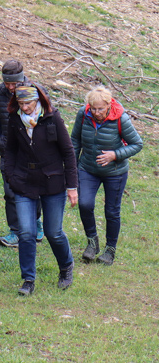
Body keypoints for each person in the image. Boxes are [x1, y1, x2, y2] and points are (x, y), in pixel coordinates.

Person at [0, 86, 78, 296]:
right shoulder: (15, 119)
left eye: (28, 103)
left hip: (53, 182)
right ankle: (28, 279)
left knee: (53, 232)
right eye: (21, 104)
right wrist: (10, 176)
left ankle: (66, 266)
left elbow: (68, 152)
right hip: (24, 182)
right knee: (26, 232)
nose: (25, 107)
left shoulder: (52, 118)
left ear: (37, 101)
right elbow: (10, 150)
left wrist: (72, 186)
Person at [70, 85, 143, 265]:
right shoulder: (83, 114)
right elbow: (75, 140)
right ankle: (92, 243)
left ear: (109, 105)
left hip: (115, 173)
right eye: (93, 109)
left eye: (101, 109)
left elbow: (137, 144)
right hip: (87, 168)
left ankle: (110, 250)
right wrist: (72, 168)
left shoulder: (120, 118)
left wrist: (115, 155)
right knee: (85, 204)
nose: (97, 113)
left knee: (111, 211)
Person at [0, 59, 44, 247]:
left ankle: (36, 220)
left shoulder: (36, 91)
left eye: (15, 83)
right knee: (10, 191)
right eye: (7, 83)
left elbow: (48, 117)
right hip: (8, 151)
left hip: (32, 152)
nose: (11, 87)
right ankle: (15, 231)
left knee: (33, 190)